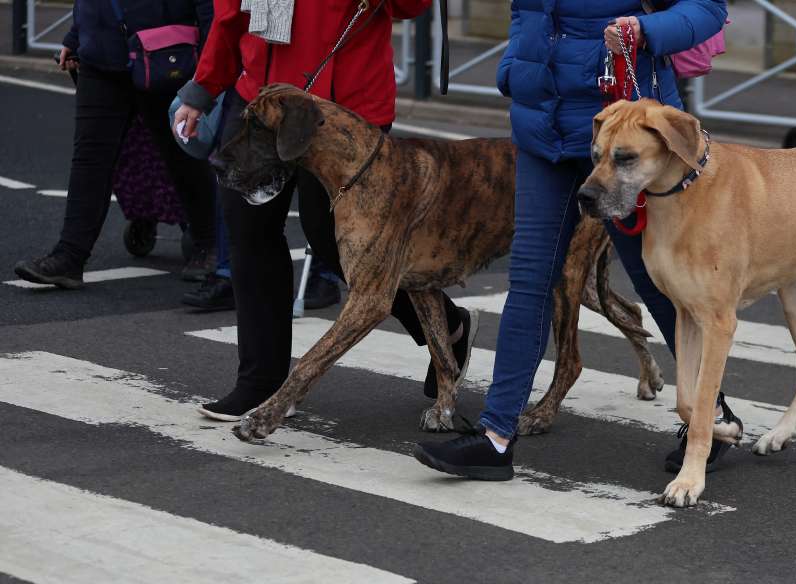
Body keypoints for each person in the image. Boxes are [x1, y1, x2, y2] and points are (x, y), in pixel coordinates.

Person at [413, 0, 732, 482]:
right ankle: (496, 437)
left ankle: (714, 414)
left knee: (659, 283)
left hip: (624, 131)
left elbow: (707, 7)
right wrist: (515, 67)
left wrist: (646, 28)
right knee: (530, 279)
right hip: (542, 124)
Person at [174, 0, 465, 420]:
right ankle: (261, 383)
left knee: (334, 242)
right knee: (248, 232)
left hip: (340, 111)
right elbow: (229, 13)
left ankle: (446, 327)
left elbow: (410, 6)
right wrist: (202, 89)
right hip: (262, 98)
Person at [14, 0, 218, 290]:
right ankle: (70, 256)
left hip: (164, 53)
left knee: (181, 154)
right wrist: (75, 37)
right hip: (102, 58)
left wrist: (210, 71)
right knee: (90, 159)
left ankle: (210, 245)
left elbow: (208, 7)